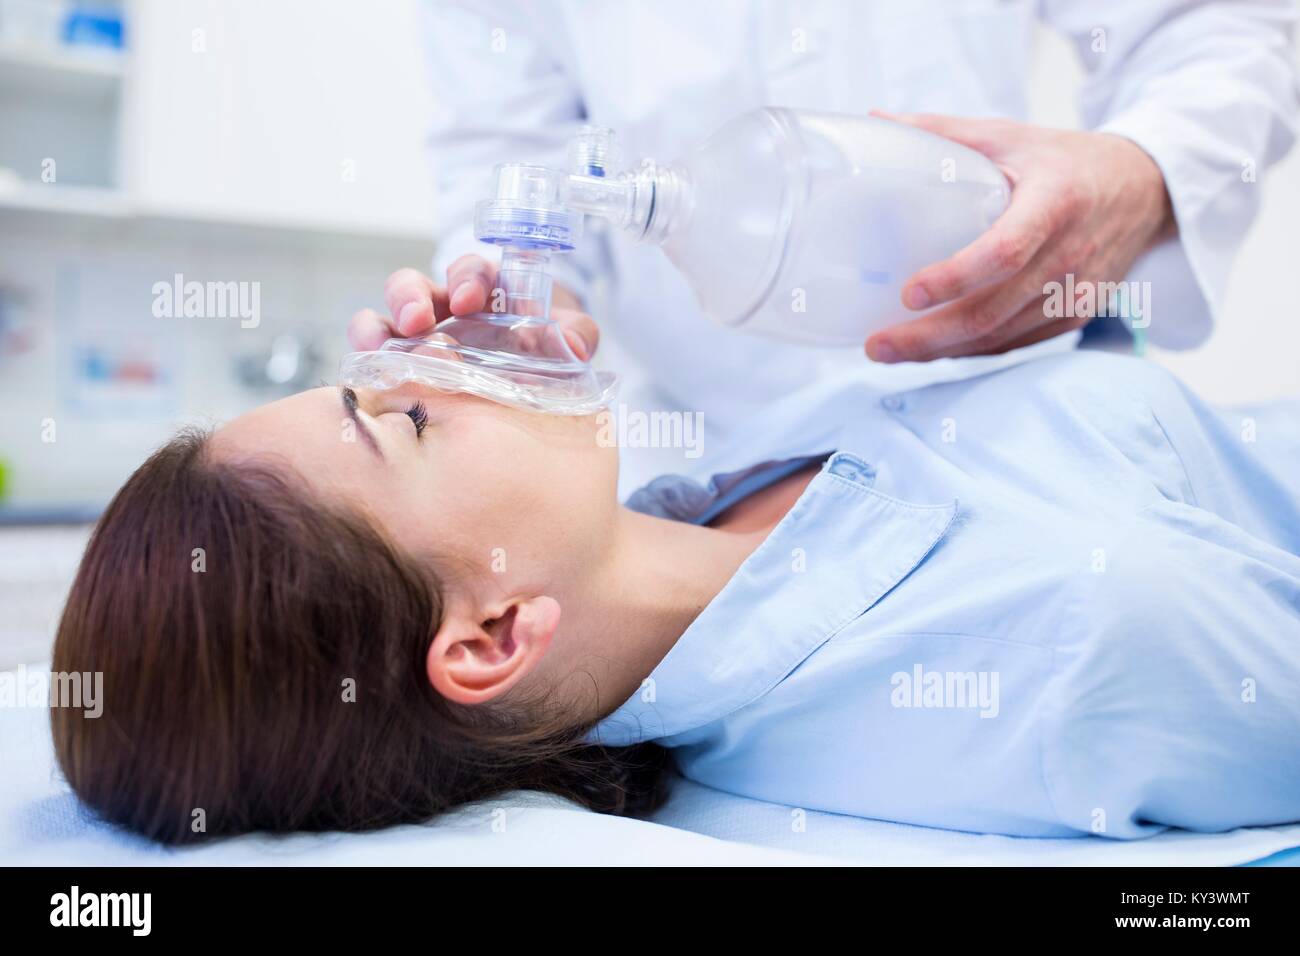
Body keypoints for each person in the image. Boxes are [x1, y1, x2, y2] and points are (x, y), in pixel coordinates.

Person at [51, 349, 1300, 843]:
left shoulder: (705, 495)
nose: (432, 362)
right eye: (411, 416)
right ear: (490, 636)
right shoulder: (1064, 650)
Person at [350, 0, 1299, 436]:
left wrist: (1138, 174)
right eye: (378, 436)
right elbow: (514, 164)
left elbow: (1215, 22)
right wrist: (507, 312)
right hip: (715, 443)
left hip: (1015, 406)